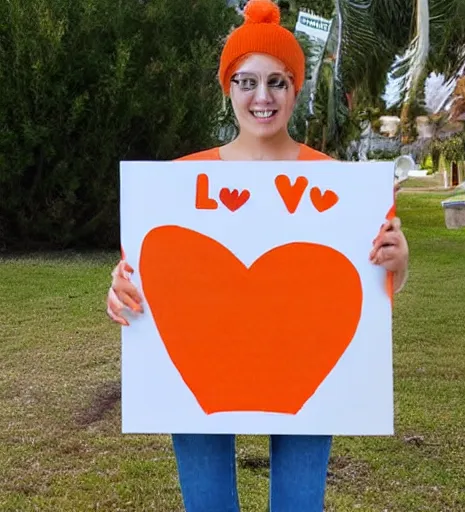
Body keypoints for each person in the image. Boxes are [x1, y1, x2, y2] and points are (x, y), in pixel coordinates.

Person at [106, 1, 409, 510]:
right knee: (207, 506)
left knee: (298, 504)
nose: (262, 96)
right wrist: (120, 290)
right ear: (228, 88)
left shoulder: (339, 183)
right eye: (246, 81)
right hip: (197, 368)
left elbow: (370, 288)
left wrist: (397, 265)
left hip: (305, 365)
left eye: (277, 82)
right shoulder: (178, 180)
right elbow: (144, 275)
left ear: (296, 88)